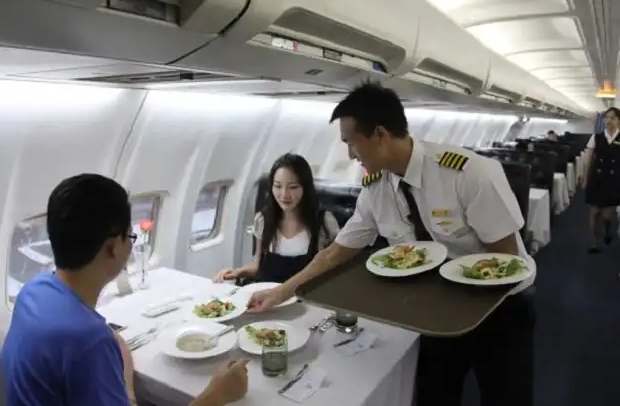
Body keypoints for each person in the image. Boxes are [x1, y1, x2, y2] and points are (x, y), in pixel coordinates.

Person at [247, 83, 535, 406]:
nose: (349, 155)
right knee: (433, 399)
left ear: (381, 135)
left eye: (350, 142)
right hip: (435, 311)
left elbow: (506, 258)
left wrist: (465, 306)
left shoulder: (467, 174)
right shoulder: (376, 189)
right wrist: (282, 291)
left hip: (499, 310)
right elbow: (337, 251)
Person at [1, 174, 249, 406]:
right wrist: (217, 395)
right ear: (111, 247)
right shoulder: (88, 342)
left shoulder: (34, 291)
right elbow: (87, 344)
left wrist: (120, 371)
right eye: (130, 237)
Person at [214, 153, 340, 284]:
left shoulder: (324, 222)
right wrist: (236, 272)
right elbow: (258, 265)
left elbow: (335, 267)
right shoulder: (263, 220)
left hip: (305, 294)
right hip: (268, 293)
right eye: (278, 186)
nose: (284, 195)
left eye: (293, 187)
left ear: (305, 187)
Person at [583, 107, 620, 253]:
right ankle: (594, 242)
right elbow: (588, 160)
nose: (609, 121)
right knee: (594, 212)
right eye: (606, 118)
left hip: (614, 179)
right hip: (597, 178)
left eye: (612, 118)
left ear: (618, 120)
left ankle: (608, 228)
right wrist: (585, 178)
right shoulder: (596, 137)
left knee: (606, 216)